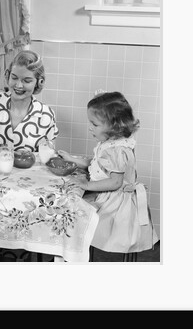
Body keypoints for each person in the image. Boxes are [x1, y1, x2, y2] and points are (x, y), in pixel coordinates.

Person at [58, 91, 158, 254]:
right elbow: (97, 165)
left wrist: (86, 184)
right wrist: (72, 159)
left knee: (75, 216)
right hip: (109, 196)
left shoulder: (115, 150)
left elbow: (115, 182)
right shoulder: (110, 144)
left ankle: (72, 254)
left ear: (114, 126)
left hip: (116, 203)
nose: (90, 127)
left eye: (95, 124)